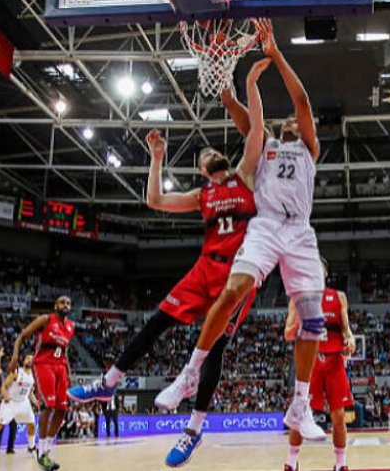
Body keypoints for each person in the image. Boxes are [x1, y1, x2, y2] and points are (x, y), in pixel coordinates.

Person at [66, 74, 266, 467]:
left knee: (215, 350)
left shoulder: (245, 175)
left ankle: (193, 429)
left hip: (238, 274)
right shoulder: (201, 195)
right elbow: (155, 200)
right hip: (205, 269)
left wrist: (245, 87)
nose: (208, 151)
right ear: (203, 171)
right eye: (202, 154)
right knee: (155, 323)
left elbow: (257, 127)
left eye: (211, 149)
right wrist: (157, 158)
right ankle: (107, 384)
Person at [157, 18, 328, 444]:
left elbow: (303, 101)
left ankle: (300, 404)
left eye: (295, 120)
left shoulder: (308, 147)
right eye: (285, 119)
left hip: (301, 233)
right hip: (267, 226)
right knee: (234, 290)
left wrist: (275, 54)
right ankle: (190, 372)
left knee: (313, 322)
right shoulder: (266, 143)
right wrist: (230, 89)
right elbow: (244, 116)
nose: (291, 119)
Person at [284, 257, 355, 471]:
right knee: (300, 416)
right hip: (310, 363)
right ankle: (291, 462)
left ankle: (341, 464)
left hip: (334, 362)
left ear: (324, 273)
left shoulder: (338, 297)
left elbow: (346, 329)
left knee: (339, 416)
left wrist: (350, 339)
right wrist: (298, 322)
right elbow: (287, 334)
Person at [9, 295, 75, 471]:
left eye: (68, 303)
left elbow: (65, 351)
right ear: (55, 305)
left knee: (62, 410)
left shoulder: (71, 326)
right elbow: (22, 335)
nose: (65, 305)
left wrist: (68, 372)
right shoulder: (45, 320)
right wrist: (15, 356)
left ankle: (46, 450)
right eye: (62, 302)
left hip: (60, 367)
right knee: (48, 407)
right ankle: (42, 452)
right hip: (44, 365)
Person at [0, 353, 39, 460]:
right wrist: (5, 396)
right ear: (24, 361)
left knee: (31, 425)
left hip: (24, 402)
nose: (29, 360)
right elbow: (4, 386)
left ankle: (31, 447)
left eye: (31, 359)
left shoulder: (33, 376)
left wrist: (35, 401)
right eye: (27, 358)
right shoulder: (17, 372)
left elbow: (30, 392)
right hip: (11, 403)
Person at [0, 347, 19, 455]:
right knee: (0, 427)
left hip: (14, 405)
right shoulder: (4, 376)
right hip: (6, 403)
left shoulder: (17, 376)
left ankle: (10, 448)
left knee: (13, 427)